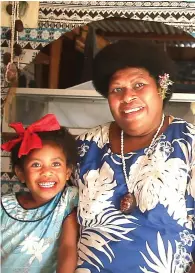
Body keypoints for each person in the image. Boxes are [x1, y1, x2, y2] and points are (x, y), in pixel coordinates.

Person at [72, 40, 195, 273]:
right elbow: (59, 218)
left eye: (139, 84)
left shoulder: (189, 142)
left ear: (161, 87)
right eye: (117, 89)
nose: (127, 96)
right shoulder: (84, 146)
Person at [1, 114, 78, 273]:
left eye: (55, 164)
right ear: (21, 173)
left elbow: (67, 248)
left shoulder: (67, 202)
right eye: (36, 165)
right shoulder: (3, 206)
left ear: (68, 172)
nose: (47, 172)